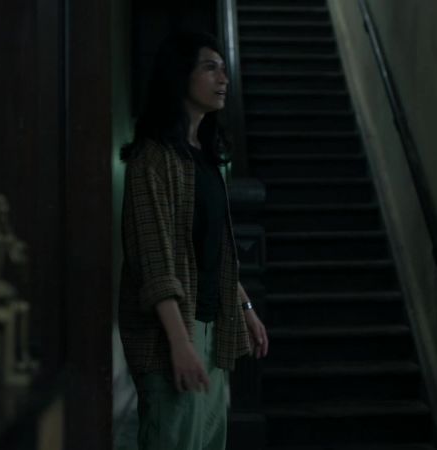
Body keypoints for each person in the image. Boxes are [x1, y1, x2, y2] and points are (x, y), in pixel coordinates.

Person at [118, 30, 269, 450]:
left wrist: (245, 307)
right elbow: (155, 260)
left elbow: (216, 251)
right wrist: (181, 343)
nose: (223, 78)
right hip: (172, 332)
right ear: (180, 76)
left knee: (208, 440)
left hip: (212, 327)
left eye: (224, 68)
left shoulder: (203, 157)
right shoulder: (153, 158)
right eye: (210, 68)